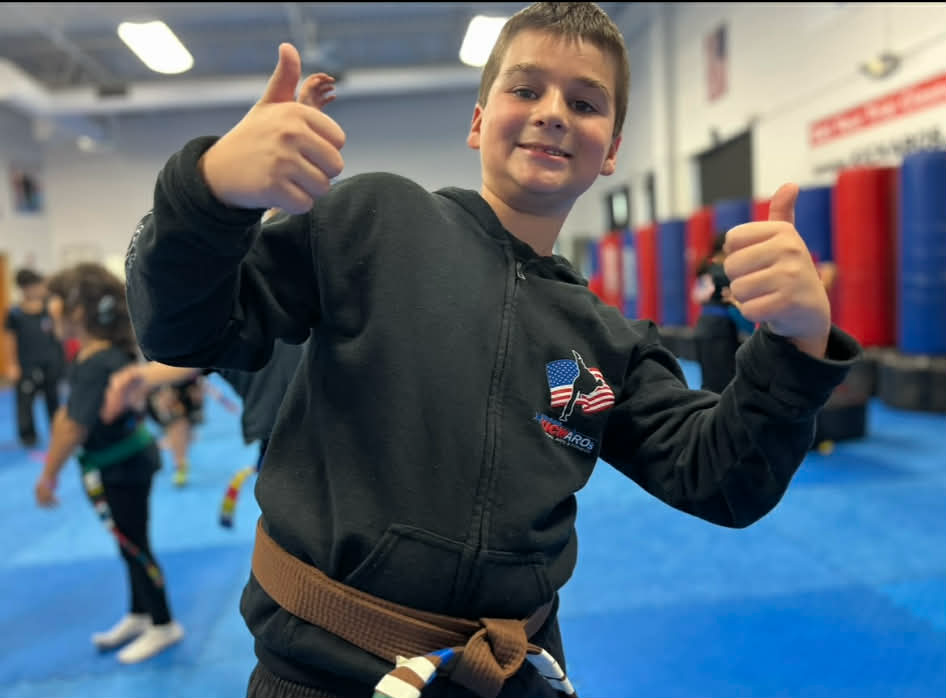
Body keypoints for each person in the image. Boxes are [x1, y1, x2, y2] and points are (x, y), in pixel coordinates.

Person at [123, 4, 861, 697]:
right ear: (479, 122)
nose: (552, 113)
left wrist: (795, 345)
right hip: (321, 670)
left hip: (511, 671)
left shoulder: (606, 341)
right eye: (526, 89)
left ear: (610, 151)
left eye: (585, 102)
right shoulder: (372, 222)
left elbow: (720, 480)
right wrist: (213, 194)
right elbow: (184, 329)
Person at [36, 262, 184, 664]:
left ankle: (164, 623)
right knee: (129, 542)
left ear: (78, 311)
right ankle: (140, 614)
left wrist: (47, 477)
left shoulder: (95, 361)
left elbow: (74, 426)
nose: (49, 308)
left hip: (123, 467)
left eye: (54, 300)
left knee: (135, 545)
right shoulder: (102, 355)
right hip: (124, 463)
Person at [100, 335, 308, 527]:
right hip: (292, 419)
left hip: (287, 426)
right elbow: (193, 360)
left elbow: (193, 360)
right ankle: (180, 460)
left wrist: (134, 377)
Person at [3, 268, 66, 448]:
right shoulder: (15, 313)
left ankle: (58, 432)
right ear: (24, 288)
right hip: (26, 363)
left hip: (50, 360)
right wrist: (12, 364)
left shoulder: (50, 309)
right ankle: (28, 435)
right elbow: (10, 339)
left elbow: (59, 334)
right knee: (25, 401)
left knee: (53, 399)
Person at [691, 233, 747, 393]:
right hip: (718, 329)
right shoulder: (724, 271)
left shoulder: (706, 267)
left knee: (709, 379)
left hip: (703, 325)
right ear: (725, 248)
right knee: (723, 381)